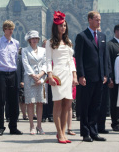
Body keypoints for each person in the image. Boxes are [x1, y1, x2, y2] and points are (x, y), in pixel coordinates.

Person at [75, 11, 108, 142]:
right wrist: (81, 75)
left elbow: (104, 57)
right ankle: (85, 132)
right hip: (87, 77)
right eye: (96, 19)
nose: (99, 22)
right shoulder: (82, 36)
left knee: (96, 106)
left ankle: (94, 131)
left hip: (99, 77)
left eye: (100, 20)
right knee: (85, 105)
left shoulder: (102, 36)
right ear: (89, 20)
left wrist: (105, 74)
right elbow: (79, 57)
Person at [46, 11, 78, 144]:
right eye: (61, 26)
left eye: (64, 25)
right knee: (58, 103)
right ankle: (59, 133)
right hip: (57, 73)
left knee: (67, 104)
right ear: (55, 27)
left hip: (68, 74)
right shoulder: (50, 42)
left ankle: (63, 132)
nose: (63, 28)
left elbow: (71, 60)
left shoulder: (68, 41)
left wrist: (74, 76)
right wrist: (49, 76)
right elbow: (48, 60)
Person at [0, 20, 23, 136]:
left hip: (13, 74)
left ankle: (13, 127)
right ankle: (0, 126)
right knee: (0, 101)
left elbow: (15, 58)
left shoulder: (16, 43)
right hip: (1, 74)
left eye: (12, 29)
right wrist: (1, 67)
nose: (11, 31)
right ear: (4, 29)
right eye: (9, 28)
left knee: (14, 102)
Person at [22, 30, 47, 135]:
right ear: (29, 40)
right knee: (30, 102)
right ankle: (32, 126)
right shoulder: (25, 50)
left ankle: (39, 126)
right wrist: (33, 75)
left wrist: (40, 75)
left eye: (36, 38)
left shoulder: (43, 50)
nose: (35, 40)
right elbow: (25, 63)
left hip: (41, 77)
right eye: (33, 38)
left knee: (40, 102)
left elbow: (45, 62)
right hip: (29, 77)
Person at [107, 24, 119, 131]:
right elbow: (108, 62)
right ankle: (115, 122)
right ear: (116, 31)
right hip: (115, 78)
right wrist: (110, 77)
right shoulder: (110, 44)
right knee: (114, 101)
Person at [42, 40, 53, 123]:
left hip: (50, 77)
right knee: (43, 96)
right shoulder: (40, 53)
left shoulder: (52, 54)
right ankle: (43, 115)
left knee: (50, 96)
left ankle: (50, 115)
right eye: (45, 45)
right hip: (42, 77)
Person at [17, 48, 27, 121]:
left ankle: (24, 115)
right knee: (16, 100)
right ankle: (15, 115)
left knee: (23, 100)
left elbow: (23, 70)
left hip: (21, 81)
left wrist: (22, 81)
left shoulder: (21, 58)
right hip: (14, 81)